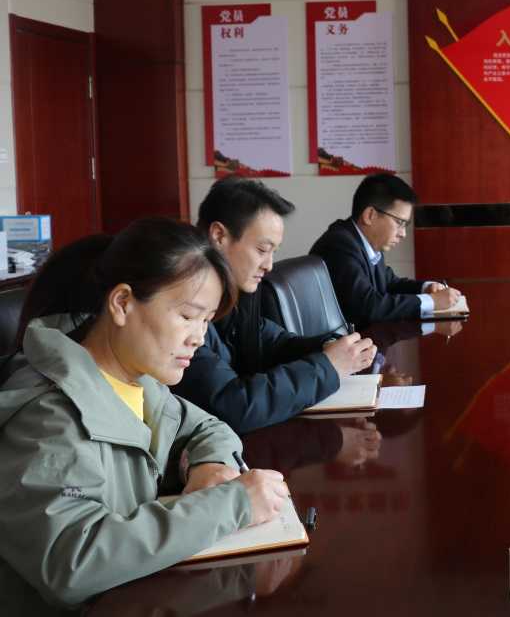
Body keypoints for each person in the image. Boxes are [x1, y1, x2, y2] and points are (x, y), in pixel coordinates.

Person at [0, 218, 291, 612]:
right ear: (122, 304)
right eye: (187, 316)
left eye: (206, 321)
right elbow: (72, 560)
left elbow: (208, 427)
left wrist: (208, 465)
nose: (199, 338)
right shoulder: (48, 419)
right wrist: (233, 504)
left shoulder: (140, 383)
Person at [175, 176, 378, 433]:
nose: (269, 265)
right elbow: (233, 405)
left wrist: (328, 348)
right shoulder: (184, 303)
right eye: (262, 250)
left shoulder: (236, 291)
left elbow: (271, 342)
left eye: (274, 252)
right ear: (219, 236)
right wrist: (327, 368)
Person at [309, 173, 463, 327]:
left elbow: (390, 284)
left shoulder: (365, 243)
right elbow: (368, 306)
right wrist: (432, 302)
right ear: (370, 215)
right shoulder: (339, 245)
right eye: (399, 222)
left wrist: (426, 288)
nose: (403, 234)